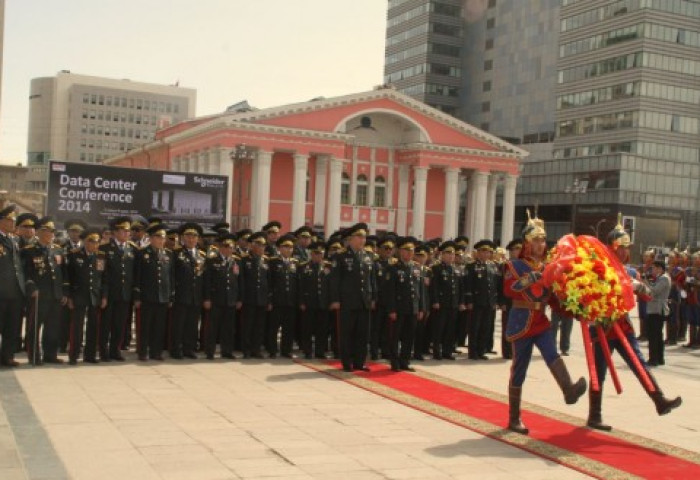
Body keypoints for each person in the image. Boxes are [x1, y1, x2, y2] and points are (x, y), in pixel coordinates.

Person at [586, 216, 682, 431]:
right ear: (611, 247)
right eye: (620, 247)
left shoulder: (629, 271)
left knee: (639, 364)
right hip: (603, 327)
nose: (623, 251)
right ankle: (594, 415)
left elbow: (648, 295)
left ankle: (659, 400)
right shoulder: (598, 270)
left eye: (626, 247)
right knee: (598, 372)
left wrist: (638, 286)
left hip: (623, 326)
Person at [503, 211, 586, 435]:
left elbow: (553, 297)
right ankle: (514, 417)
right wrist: (528, 279)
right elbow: (508, 290)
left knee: (553, 354)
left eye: (543, 239)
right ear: (527, 242)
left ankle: (568, 389)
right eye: (536, 240)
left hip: (540, 320)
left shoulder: (549, 266)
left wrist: (575, 306)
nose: (541, 244)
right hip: (521, 320)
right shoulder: (514, 265)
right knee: (520, 368)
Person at [329, 223, 376, 372]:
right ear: (350, 239)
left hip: (364, 302)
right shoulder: (341, 256)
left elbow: (371, 280)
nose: (362, 240)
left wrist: (373, 297)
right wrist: (335, 300)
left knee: (362, 334)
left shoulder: (368, 257)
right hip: (347, 302)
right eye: (359, 237)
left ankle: (359, 362)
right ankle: (347, 362)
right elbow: (334, 280)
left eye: (364, 237)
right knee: (347, 333)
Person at [23, 217, 68, 365]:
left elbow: (63, 273)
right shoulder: (29, 250)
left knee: (53, 327)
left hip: (55, 295)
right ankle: (34, 355)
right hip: (39, 295)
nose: (51, 234)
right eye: (48, 231)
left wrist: (64, 293)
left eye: (53, 231)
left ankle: (50, 354)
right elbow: (25, 273)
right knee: (35, 327)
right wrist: (32, 288)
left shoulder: (57, 249)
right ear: (40, 232)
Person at [65, 229, 106, 365]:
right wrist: (69, 297)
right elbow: (68, 278)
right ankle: (74, 354)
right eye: (92, 241)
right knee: (77, 326)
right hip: (79, 295)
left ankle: (90, 355)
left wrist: (104, 296)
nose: (95, 245)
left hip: (94, 296)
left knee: (93, 326)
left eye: (97, 242)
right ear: (85, 242)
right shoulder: (74, 255)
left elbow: (104, 278)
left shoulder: (101, 256)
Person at [133, 224, 173, 361]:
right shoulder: (142, 253)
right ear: (151, 238)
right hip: (147, 296)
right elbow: (137, 276)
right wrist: (137, 296)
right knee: (145, 326)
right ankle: (143, 352)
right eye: (158, 237)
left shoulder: (168, 254)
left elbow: (170, 277)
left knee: (159, 326)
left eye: (163, 237)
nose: (161, 240)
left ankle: (156, 352)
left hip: (162, 296)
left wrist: (170, 296)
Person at [99, 217, 136, 362]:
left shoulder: (132, 249)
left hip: (124, 294)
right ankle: (103, 351)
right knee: (106, 324)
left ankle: (115, 350)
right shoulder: (103, 249)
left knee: (119, 325)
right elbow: (100, 273)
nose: (127, 233)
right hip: (109, 294)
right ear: (115, 233)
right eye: (123, 231)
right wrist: (103, 294)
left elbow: (134, 272)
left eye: (128, 231)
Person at [385, 237, 425, 372]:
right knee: (395, 336)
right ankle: (395, 362)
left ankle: (405, 361)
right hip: (399, 308)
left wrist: (421, 308)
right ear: (400, 251)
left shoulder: (416, 267)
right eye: (406, 250)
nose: (409, 253)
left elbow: (420, 290)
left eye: (411, 251)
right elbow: (390, 291)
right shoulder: (394, 268)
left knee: (409, 336)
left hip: (413, 308)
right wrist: (392, 309)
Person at [202, 233, 241, 360]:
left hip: (230, 300)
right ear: (220, 247)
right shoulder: (212, 261)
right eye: (226, 246)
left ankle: (227, 351)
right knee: (213, 328)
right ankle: (210, 351)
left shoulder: (236, 261)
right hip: (216, 299)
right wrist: (207, 298)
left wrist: (239, 299)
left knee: (228, 328)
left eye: (231, 247)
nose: (229, 249)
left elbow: (239, 282)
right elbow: (207, 281)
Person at [170, 223, 206, 359]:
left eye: (194, 237)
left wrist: (204, 296)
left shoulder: (201, 255)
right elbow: (172, 275)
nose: (191, 240)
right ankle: (176, 349)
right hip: (181, 294)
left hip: (196, 295)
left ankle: (189, 348)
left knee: (192, 324)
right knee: (179, 324)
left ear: (198, 239)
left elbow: (204, 276)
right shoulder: (176, 254)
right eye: (188, 237)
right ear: (183, 238)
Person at [464, 240, 502, 360]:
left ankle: (481, 350)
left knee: (485, 327)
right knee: (475, 327)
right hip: (476, 301)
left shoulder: (492, 266)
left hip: (489, 301)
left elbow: (495, 285)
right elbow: (468, 285)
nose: (486, 254)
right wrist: (469, 301)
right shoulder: (471, 266)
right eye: (483, 252)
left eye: (488, 252)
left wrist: (496, 301)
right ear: (478, 252)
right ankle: (473, 351)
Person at [429, 241, 464, 361]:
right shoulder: (436, 268)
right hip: (441, 303)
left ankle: (447, 351)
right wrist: (435, 301)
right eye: (448, 254)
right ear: (442, 255)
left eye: (453, 254)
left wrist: (460, 302)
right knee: (439, 328)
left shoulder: (455, 270)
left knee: (450, 329)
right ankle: (436, 351)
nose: (451, 256)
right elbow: (434, 287)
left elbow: (459, 288)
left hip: (453, 304)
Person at [0, 204, 25, 367]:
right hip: (1, 291)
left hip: (15, 291)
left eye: (14, 220)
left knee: (11, 326)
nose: (13, 223)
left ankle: (7, 357)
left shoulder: (15, 239)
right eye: (10, 220)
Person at [267, 234, 300, 358]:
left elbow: (297, 283)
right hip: (277, 300)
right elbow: (269, 282)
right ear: (279, 248)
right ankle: (272, 350)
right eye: (286, 247)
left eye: (291, 247)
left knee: (289, 328)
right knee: (274, 327)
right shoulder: (273, 262)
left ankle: (286, 350)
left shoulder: (295, 263)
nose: (289, 250)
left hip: (290, 301)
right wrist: (269, 300)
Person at [239, 232, 270, 358]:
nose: (261, 247)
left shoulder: (266, 261)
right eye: (258, 244)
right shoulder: (245, 259)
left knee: (259, 326)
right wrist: (241, 298)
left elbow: (269, 281)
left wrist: (269, 299)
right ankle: (246, 349)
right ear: (252, 245)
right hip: (249, 298)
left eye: (263, 245)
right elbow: (241, 280)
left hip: (262, 299)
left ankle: (256, 349)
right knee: (248, 326)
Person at [299, 241, 332, 359]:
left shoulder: (328, 267)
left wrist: (330, 301)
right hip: (309, 303)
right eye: (316, 253)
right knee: (307, 328)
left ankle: (320, 351)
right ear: (311, 254)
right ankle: (307, 350)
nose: (318, 256)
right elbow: (300, 286)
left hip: (323, 302)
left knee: (322, 329)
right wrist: (302, 301)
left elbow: (331, 286)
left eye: (320, 253)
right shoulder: (304, 267)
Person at [645, 260, 671, 367]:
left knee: (654, 335)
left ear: (660, 268)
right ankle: (659, 358)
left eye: (654, 268)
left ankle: (654, 359)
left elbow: (654, 291)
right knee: (657, 335)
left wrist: (644, 282)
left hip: (658, 309)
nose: (653, 270)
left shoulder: (664, 278)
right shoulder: (660, 278)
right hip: (655, 309)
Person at [500, 240, 521, 360]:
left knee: (518, 327)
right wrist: (502, 302)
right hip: (508, 301)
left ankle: (515, 351)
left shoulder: (522, 265)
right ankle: (507, 351)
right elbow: (501, 285)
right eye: (516, 250)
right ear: (511, 252)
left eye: (519, 249)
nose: (518, 252)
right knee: (507, 326)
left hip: (519, 301)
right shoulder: (506, 265)